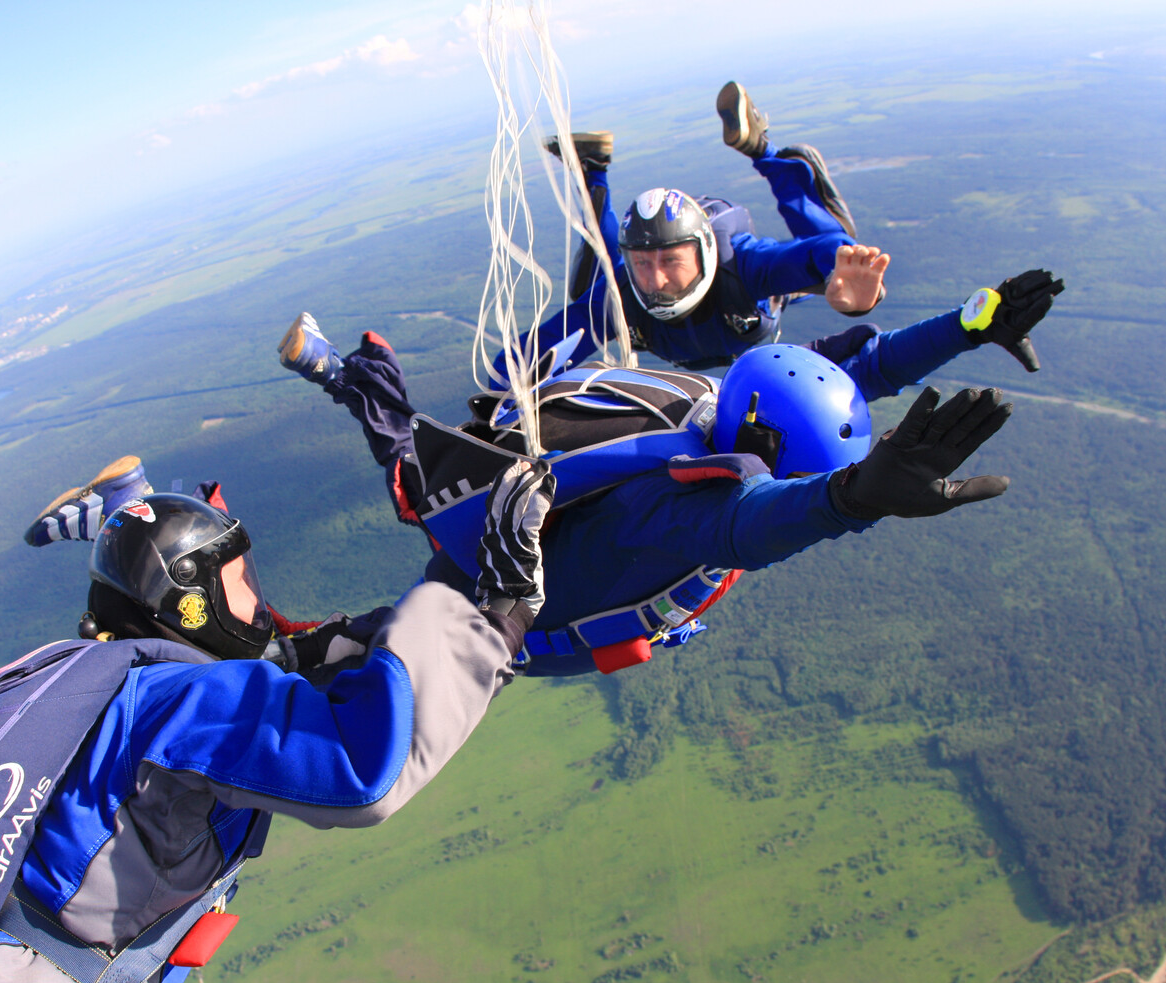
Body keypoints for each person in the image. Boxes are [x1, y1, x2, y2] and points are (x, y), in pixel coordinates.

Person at [0, 462, 554, 983]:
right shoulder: (181, 697)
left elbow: (260, 667)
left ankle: (121, 494)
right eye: (240, 583)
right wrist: (494, 618)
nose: (258, 601)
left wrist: (333, 647)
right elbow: (364, 768)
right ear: (187, 602)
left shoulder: (104, 673)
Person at [278, 266, 1061, 674]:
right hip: (499, 599)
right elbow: (749, 523)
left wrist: (966, 327)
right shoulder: (682, 505)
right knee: (379, 650)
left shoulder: (731, 404)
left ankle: (344, 374)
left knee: (410, 457)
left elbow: (850, 381)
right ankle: (281, 655)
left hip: (521, 515)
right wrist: (845, 500)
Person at [530, 81, 891, 373]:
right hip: (711, 322)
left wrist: (850, 291)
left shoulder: (743, 269)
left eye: (671, 260)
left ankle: (763, 150)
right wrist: (501, 395)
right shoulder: (623, 293)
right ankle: (591, 168)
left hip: (744, 294)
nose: (655, 282)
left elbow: (830, 251)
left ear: (704, 254)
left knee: (830, 236)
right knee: (599, 278)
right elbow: (536, 351)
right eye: (642, 263)